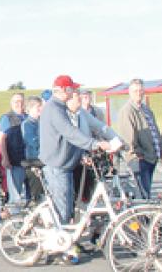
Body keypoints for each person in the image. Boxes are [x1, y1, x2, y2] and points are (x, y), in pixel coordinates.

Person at [40, 75, 112, 265]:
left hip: (66, 164)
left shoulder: (60, 108)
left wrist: (84, 153)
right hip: (57, 165)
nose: (75, 93)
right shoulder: (54, 109)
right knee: (62, 209)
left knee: (67, 207)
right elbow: (70, 133)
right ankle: (58, 251)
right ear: (63, 90)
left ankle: (65, 244)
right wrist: (94, 144)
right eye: (72, 89)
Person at [118, 79, 162, 199]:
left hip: (151, 157)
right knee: (142, 195)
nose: (139, 93)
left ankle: (146, 216)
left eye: (141, 90)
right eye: (135, 91)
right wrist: (137, 154)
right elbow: (128, 138)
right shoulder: (127, 111)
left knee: (147, 192)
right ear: (129, 92)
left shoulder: (146, 109)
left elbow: (154, 131)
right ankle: (143, 217)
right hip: (140, 159)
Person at [0, 93, 28, 203]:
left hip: (29, 162)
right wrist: (5, 158)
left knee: (32, 195)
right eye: (16, 101)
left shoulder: (28, 117)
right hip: (15, 162)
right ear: (11, 104)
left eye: (21, 101)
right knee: (15, 195)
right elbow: (1, 140)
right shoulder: (7, 118)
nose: (19, 104)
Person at [21, 96, 44, 203]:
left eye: (41, 106)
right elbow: (33, 141)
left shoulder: (41, 122)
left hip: (43, 160)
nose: (40, 109)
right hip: (34, 161)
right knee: (36, 193)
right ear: (30, 109)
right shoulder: (27, 124)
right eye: (37, 107)